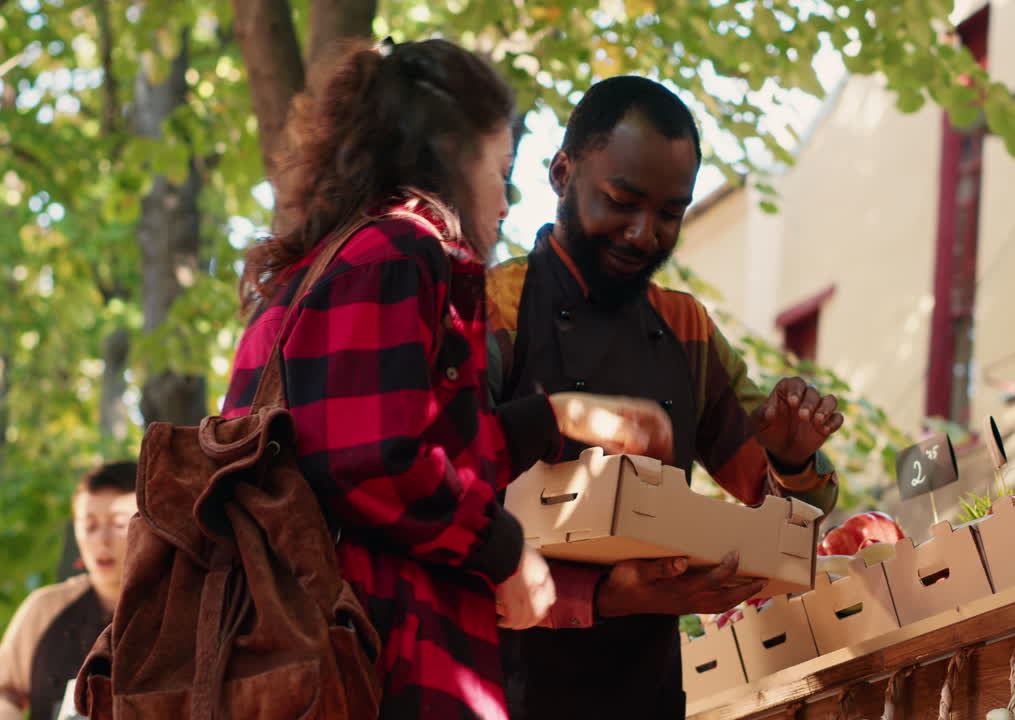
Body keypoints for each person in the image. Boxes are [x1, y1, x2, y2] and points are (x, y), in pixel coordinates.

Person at [223, 40, 672, 720]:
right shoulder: (402, 252)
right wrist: (503, 552)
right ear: (453, 160)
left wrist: (560, 419)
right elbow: (375, 460)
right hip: (376, 663)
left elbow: (418, 442)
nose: (507, 200)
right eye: (502, 170)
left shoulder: (326, 268)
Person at [487, 76, 845, 719]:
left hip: (646, 693)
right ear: (561, 173)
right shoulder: (492, 309)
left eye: (670, 214)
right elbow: (438, 515)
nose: (643, 234)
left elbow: (789, 524)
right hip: (498, 689)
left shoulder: (686, 328)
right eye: (621, 201)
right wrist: (606, 593)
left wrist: (792, 462)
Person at [0, 461, 139, 720]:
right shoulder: (44, 608)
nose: (102, 540)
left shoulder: (179, 611)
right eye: (90, 526)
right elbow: (3, 691)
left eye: (119, 524)